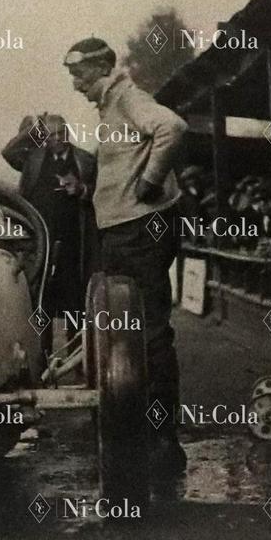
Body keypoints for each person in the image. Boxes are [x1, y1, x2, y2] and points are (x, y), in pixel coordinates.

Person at [63, 36, 188, 475]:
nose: (75, 84)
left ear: (100, 68)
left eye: (78, 74)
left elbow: (172, 127)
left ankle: (163, 441)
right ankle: (141, 432)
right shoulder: (111, 106)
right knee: (126, 334)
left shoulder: (128, 98)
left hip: (140, 229)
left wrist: (149, 186)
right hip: (124, 230)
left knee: (148, 333)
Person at [2, 113, 97, 358]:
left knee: (74, 301)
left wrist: (82, 189)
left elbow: (99, 193)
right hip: (39, 242)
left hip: (73, 242)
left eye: (63, 133)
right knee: (40, 298)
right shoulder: (33, 159)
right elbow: (8, 152)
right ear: (44, 138)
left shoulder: (85, 160)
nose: (59, 139)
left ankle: (77, 357)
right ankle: (41, 359)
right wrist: (32, 130)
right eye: (52, 134)